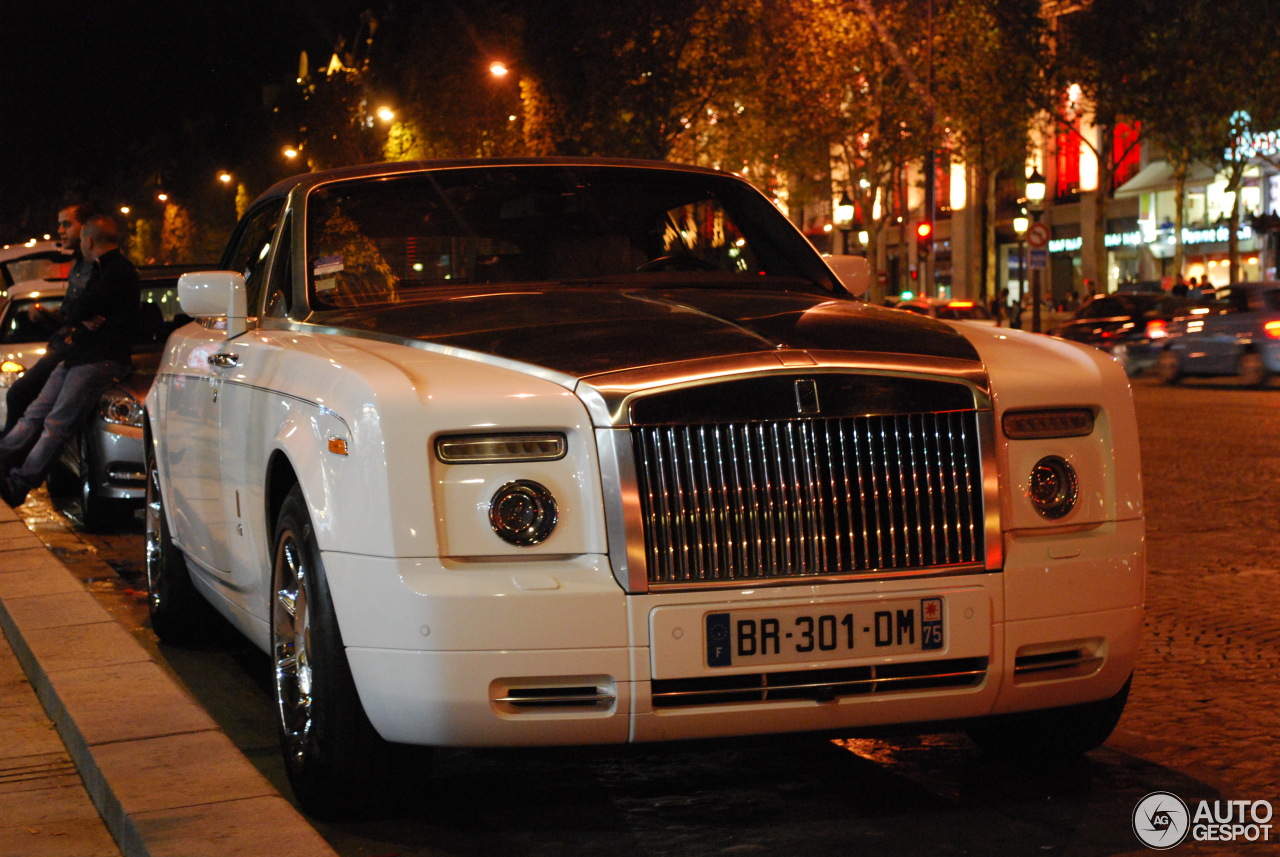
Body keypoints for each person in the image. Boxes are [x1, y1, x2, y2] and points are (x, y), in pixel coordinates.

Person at [0, 214, 140, 507]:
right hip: (80, 355)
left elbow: (79, 310)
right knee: (37, 413)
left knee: (55, 423)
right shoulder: (107, 270)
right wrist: (87, 317)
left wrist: (90, 319)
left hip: (98, 359)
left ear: (89, 241)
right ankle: (5, 462)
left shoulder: (115, 272)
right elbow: (80, 311)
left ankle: (19, 483)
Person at [2, 203, 96, 433]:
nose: (61, 231)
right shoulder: (80, 266)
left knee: (19, 396)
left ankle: (13, 460)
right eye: (59, 225)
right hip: (64, 347)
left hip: (73, 352)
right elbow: (71, 313)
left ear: (85, 229)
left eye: (66, 224)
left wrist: (59, 321)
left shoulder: (96, 268)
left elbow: (84, 315)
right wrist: (47, 317)